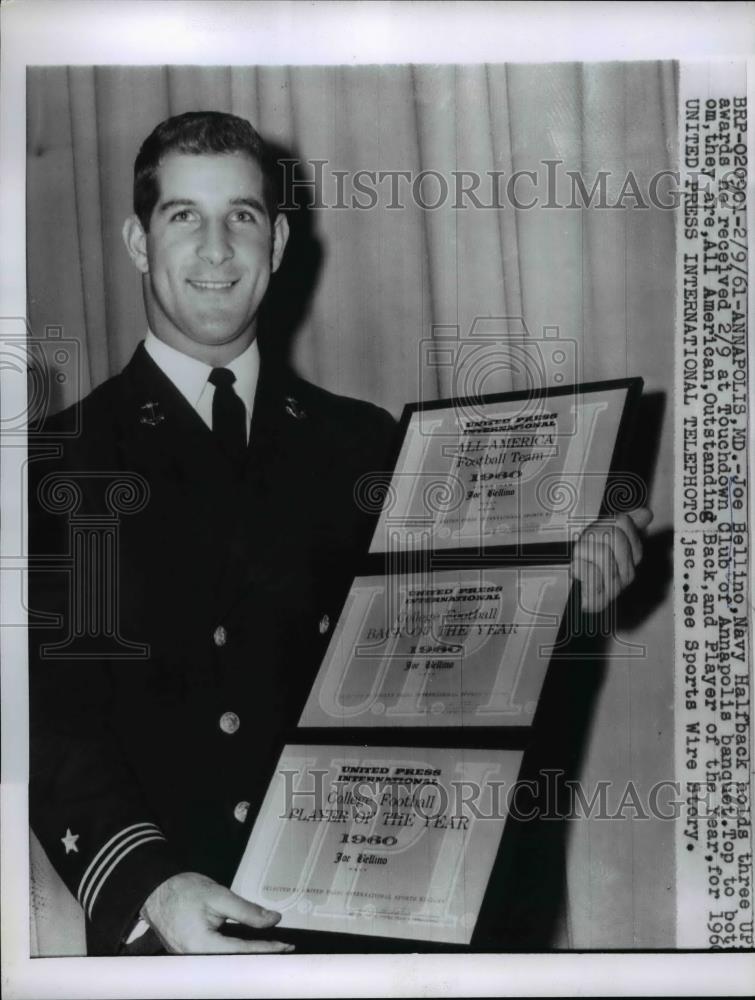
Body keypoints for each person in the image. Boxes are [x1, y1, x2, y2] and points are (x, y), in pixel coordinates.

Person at [28, 110, 652, 956]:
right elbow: (45, 722)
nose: (216, 250)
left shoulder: (361, 443)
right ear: (139, 242)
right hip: (174, 924)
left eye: (241, 217)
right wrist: (152, 889)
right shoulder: (58, 462)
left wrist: (567, 582)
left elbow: (448, 649)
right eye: (184, 217)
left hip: (370, 918)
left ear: (277, 243)